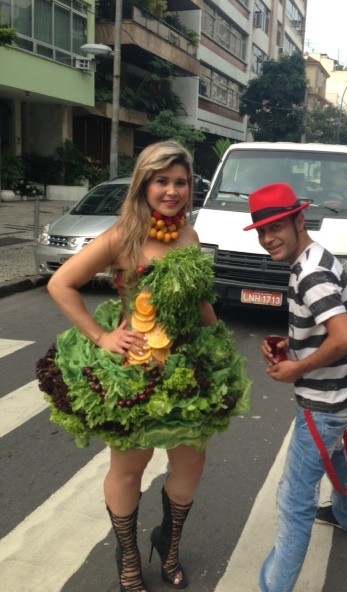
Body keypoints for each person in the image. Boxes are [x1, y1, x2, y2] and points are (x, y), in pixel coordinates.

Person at [43, 141, 251, 592]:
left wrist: (218, 342)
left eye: (180, 182)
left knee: (190, 468)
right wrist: (102, 336)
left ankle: (169, 542)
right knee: (129, 468)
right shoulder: (123, 236)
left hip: (187, 370)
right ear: (144, 184)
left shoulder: (190, 237)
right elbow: (61, 284)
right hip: (134, 370)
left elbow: (197, 302)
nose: (172, 191)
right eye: (162, 181)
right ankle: (129, 558)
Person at [243, 183, 347, 592]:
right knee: (336, 457)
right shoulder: (316, 258)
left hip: (324, 402)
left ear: (299, 220)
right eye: (261, 232)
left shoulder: (310, 272)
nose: (267, 239)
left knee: (294, 502)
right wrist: (290, 345)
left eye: (275, 227)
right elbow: (325, 326)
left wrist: (298, 369)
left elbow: (345, 338)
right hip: (340, 394)